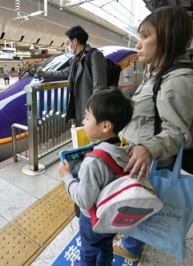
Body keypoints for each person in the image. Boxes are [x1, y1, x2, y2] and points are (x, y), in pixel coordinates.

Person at [113, 5, 193, 262]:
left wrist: (147, 148)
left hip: (153, 163)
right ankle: (133, 239)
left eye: (145, 36)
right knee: (141, 201)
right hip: (144, 159)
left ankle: (131, 247)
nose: (138, 44)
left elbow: (179, 133)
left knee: (145, 202)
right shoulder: (157, 72)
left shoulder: (178, 81)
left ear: (166, 38)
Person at [59, 89, 133, 266]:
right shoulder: (128, 150)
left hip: (92, 219)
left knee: (88, 252)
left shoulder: (93, 162)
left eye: (87, 117)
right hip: (113, 216)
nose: (83, 121)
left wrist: (67, 176)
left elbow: (84, 200)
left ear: (105, 126)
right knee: (106, 246)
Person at [37, 25, 107, 127]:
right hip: (79, 105)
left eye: (68, 43)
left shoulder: (94, 55)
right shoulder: (76, 59)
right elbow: (64, 72)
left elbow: (99, 86)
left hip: (90, 107)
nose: (67, 46)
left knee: (90, 135)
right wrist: (44, 73)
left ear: (75, 42)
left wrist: (94, 111)